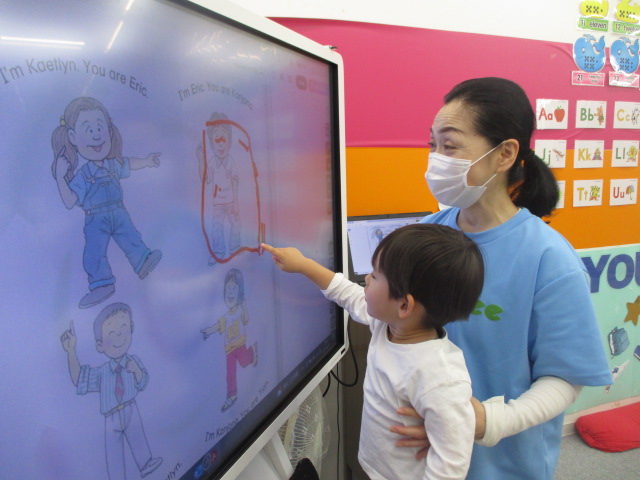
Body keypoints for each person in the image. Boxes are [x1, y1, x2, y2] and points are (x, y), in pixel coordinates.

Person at [391, 77, 612, 479]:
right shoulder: (426, 234)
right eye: (433, 145)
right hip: (424, 455)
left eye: (450, 145)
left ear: (505, 154)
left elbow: (564, 379)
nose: (436, 159)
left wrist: (486, 422)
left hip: (501, 464)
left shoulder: (549, 259)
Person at [263, 222, 485, 480]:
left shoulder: (440, 376)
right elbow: (346, 293)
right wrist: (304, 265)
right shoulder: (389, 324)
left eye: (376, 275)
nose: (366, 279)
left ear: (404, 306)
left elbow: (451, 465)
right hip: (376, 469)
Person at [51, 97, 162, 309]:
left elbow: (129, 164)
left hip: (118, 211)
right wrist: (60, 177)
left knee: (131, 237)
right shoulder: (83, 175)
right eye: (88, 129)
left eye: (100, 127)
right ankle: (102, 284)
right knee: (94, 252)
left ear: (109, 131)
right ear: (73, 137)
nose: (96, 134)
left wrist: (147, 161)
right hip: (96, 217)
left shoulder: (112, 165)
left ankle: (142, 262)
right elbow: (69, 201)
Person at [60, 302, 163, 479]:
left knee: (137, 437)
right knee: (113, 450)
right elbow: (79, 379)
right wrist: (70, 351)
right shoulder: (102, 373)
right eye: (111, 333)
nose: (119, 336)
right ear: (100, 346)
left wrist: (137, 371)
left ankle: (146, 463)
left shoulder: (133, 361)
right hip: (111, 417)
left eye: (123, 327)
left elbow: (144, 382)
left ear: (131, 328)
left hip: (131, 408)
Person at [201, 268, 258, 412]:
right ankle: (231, 395)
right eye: (228, 289)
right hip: (229, 350)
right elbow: (217, 325)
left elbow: (246, 320)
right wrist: (208, 331)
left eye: (234, 288)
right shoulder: (226, 316)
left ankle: (252, 352)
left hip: (240, 344)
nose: (230, 292)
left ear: (240, 292)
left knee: (244, 363)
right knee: (230, 373)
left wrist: (245, 308)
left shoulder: (240, 310)